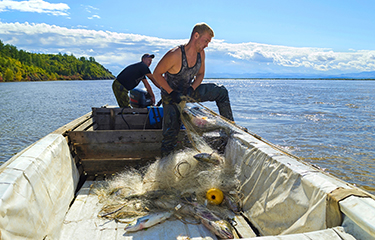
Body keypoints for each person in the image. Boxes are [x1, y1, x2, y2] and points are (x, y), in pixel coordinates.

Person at [153, 22, 234, 157]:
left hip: (189, 90)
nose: (207, 44)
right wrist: (171, 93)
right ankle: (164, 166)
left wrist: (192, 88)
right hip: (171, 96)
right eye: (206, 40)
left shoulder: (201, 53)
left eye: (209, 42)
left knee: (221, 92)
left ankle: (230, 129)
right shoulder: (175, 54)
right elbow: (156, 74)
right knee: (170, 134)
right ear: (196, 35)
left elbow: (201, 74)